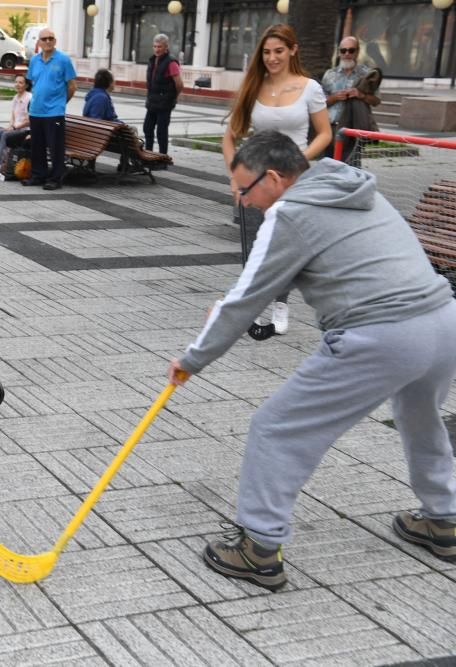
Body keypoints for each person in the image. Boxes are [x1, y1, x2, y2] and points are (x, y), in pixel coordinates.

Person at [167, 130, 456, 590]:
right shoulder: (352, 187)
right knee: (421, 417)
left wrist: (192, 359)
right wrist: (228, 310)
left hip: (380, 334)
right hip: (442, 322)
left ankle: (257, 548)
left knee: (277, 427)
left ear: (276, 178)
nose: (242, 202)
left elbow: (245, 299)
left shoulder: (290, 213)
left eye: (244, 190)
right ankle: (443, 520)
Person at [222, 23, 331, 335]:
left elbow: (325, 134)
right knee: (255, 245)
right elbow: (228, 138)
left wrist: (299, 162)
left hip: (292, 181)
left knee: (282, 248)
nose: (272, 58)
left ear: (293, 50)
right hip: (256, 181)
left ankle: (280, 304)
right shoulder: (253, 86)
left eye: (279, 51)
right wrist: (236, 176)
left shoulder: (309, 87)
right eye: (267, 52)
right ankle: (253, 307)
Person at [24, 28, 76, 191]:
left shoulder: (63, 60)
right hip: (36, 111)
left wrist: (60, 103)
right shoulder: (34, 60)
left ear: (55, 41)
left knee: (55, 148)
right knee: (37, 146)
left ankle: (55, 179)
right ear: (38, 42)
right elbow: (32, 83)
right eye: (44, 39)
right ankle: (38, 175)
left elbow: (72, 86)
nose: (47, 41)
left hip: (54, 112)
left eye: (50, 38)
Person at [321, 35, 381, 166]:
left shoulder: (366, 74)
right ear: (339, 53)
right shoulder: (329, 74)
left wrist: (361, 95)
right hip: (330, 128)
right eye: (343, 51)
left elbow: (376, 100)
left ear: (357, 52)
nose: (347, 54)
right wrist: (334, 97)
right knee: (327, 167)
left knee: (350, 168)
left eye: (351, 50)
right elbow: (319, 102)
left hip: (352, 129)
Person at [143, 33, 183, 155]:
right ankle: (148, 155)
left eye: (159, 46)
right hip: (152, 101)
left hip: (165, 103)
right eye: (155, 46)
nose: (157, 49)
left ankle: (162, 157)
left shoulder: (171, 63)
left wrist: (173, 97)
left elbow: (179, 84)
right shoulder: (152, 60)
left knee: (161, 131)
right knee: (147, 128)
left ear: (166, 47)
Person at [0, 73, 30, 174]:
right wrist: (10, 125)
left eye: (21, 83)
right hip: (16, 128)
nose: (17, 84)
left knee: (5, 135)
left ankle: (0, 163)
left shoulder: (29, 98)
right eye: (16, 82)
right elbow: (13, 116)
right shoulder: (16, 97)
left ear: (26, 85)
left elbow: (28, 121)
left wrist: (14, 127)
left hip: (24, 131)